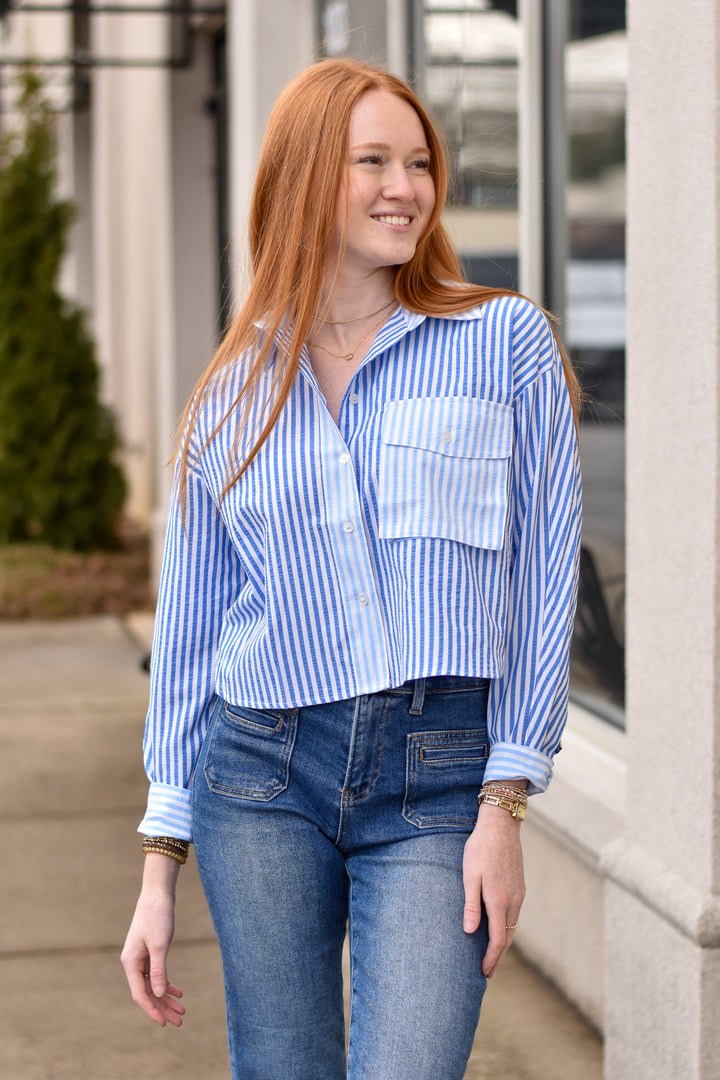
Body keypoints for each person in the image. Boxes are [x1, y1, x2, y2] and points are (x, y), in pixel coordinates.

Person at [121, 57, 582, 1080]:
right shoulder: (231, 397)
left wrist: (505, 804)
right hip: (261, 777)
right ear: (304, 178)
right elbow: (191, 634)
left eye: (418, 162)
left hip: (440, 771)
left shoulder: (501, 342)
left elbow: (545, 578)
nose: (404, 186)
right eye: (371, 160)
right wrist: (160, 868)